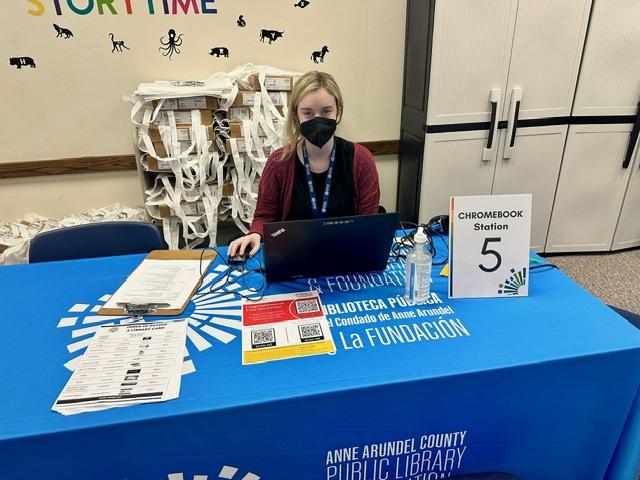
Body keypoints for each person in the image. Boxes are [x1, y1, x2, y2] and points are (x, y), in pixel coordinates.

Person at [228, 71, 380, 257]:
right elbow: (264, 217)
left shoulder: (362, 160)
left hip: (346, 258)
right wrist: (255, 233)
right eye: (308, 113)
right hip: (293, 258)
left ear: (338, 112)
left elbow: (369, 223)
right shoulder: (278, 162)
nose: (317, 119)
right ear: (296, 116)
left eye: (326, 111)